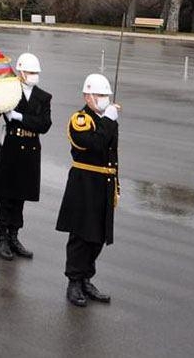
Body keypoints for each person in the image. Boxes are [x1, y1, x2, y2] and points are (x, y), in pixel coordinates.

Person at [56, 73, 120, 307]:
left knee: (98, 237)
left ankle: (86, 278)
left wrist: (116, 184)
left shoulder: (107, 120)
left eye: (106, 95)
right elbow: (94, 144)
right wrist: (109, 120)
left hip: (103, 183)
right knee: (82, 236)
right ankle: (74, 281)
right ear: (87, 95)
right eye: (99, 95)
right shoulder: (81, 119)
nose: (104, 99)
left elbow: (111, 154)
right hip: (85, 183)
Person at [0, 52, 52, 260]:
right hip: (11, 147)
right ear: (21, 72)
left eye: (36, 72)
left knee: (20, 196)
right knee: (5, 194)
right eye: (30, 72)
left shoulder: (43, 97)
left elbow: (44, 125)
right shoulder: (10, 91)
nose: (34, 75)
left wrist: (19, 117)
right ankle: (3, 238)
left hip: (31, 150)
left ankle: (14, 236)